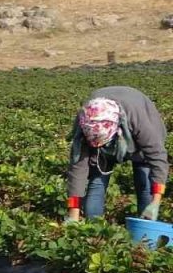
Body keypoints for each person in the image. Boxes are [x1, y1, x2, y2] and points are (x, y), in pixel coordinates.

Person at [66, 87, 168, 222]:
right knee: (97, 179)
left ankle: (146, 226)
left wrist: (155, 202)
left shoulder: (141, 122)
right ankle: (93, 226)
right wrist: (73, 214)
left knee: (144, 178)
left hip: (138, 123)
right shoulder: (85, 122)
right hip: (108, 132)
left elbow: (157, 159)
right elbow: (77, 171)